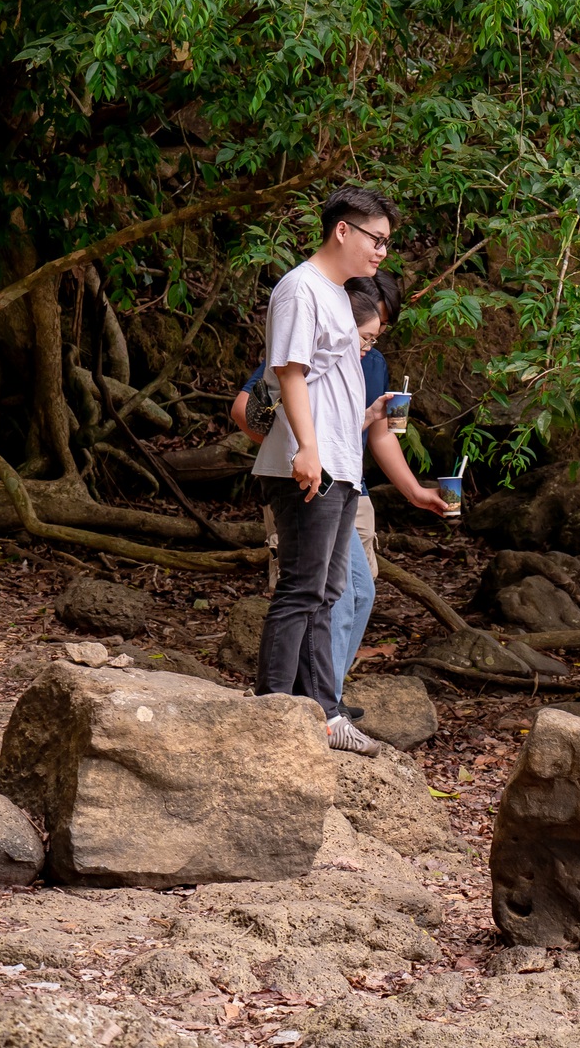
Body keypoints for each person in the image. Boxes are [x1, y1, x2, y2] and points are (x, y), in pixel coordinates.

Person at [234, 274, 445, 739]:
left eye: (380, 331)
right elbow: (254, 405)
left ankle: (322, 699)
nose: (372, 341)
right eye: (370, 331)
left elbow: (373, 432)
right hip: (310, 478)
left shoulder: (368, 361)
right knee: (311, 590)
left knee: (346, 592)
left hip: (349, 483)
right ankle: (292, 702)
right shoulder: (311, 340)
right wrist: (293, 451)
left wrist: (413, 490)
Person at [251, 186, 397, 750]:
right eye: (377, 240)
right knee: (302, 589)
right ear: (344, 231)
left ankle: (324, 712)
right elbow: (288, 373)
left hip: (339, 462)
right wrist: (306, 449)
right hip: (307, 465)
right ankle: (271, 712)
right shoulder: (300, 288)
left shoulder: (340, 294)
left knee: (329, 589)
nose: (382, 252)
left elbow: (327, 382)